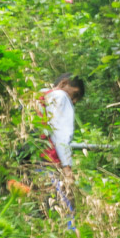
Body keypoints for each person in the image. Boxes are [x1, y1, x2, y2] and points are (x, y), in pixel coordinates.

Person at [39, 74, 84, 227]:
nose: (75, 101)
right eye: (75, 94)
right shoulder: (60, 96)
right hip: (48, 161)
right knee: (65, 210)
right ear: (64, 83)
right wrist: (67, 168)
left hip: (28, 159)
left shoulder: (38, 96)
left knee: (39, 211)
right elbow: (61, 134)